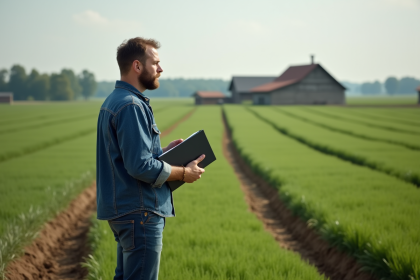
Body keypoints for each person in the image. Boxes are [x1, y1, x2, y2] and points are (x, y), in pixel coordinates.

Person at [96, 37, 205, 280]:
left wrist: (164, 151)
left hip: (124, 211)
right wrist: (185, 174)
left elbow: (130, 156)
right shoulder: (131, 105)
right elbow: (140, 166)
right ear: (137, 66)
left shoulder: (114, 101)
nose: (161, 69)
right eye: (155, 63)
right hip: (140, 212)